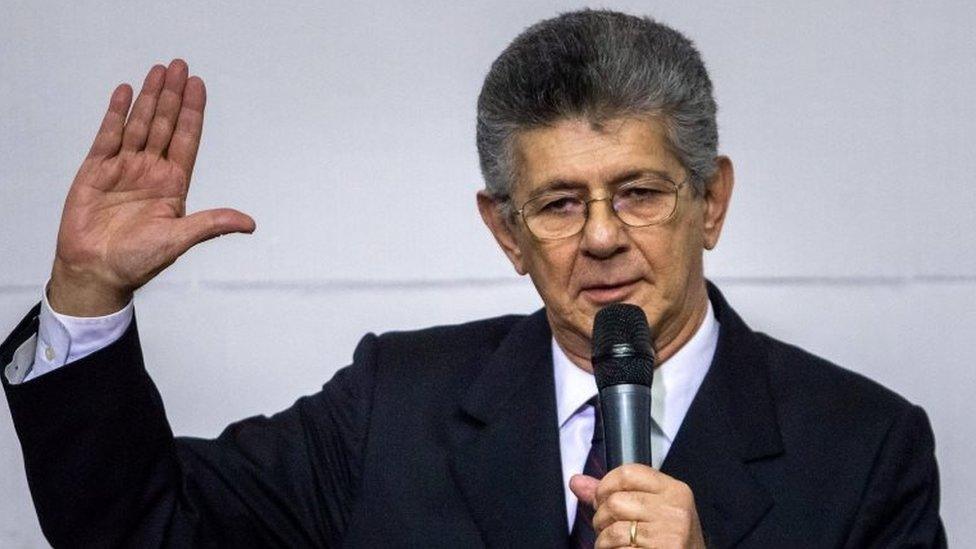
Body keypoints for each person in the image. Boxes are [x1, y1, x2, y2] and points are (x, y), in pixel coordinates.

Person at [0, 9, 946, 548]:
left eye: (641, 193)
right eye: (561, 204)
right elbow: (141, 531)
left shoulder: (866, 447)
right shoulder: (393, 405)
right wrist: (88, 294)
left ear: (714, 201)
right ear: (505, 230)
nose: (605, 238)